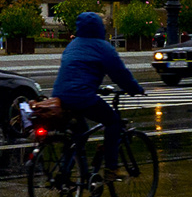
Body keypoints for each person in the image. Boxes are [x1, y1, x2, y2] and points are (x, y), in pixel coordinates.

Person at [52, 12, 146, 183]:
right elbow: (120, 74)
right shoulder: (103, 48)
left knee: (79, 132)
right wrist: (135, 89)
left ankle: (66, 173)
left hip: (59, 95)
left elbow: (76, 71)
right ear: (99, 28)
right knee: (113, 121)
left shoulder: (72, 45)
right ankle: (111, 168)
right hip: (82, 96)